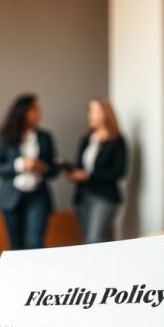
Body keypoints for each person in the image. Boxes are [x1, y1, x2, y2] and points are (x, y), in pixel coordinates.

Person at [0, 94, 58, 250]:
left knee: (35, 243)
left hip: (38, 196)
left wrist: (43, 167)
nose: (38, 113)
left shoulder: (45, 137)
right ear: (23, 111)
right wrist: (19, 165)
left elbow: (54, 170)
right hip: (11, 198)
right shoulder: (5, 136)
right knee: (16, 247)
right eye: (34, 109)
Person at [65, 98, 128, 244]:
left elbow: (119, 171)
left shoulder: (117, 141)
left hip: (104, 197)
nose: (90, 115)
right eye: (89, 111)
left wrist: (89, 176)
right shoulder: (86, 140)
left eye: (94, 111)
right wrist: (72, 172)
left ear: (105, 113)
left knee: (95, 239)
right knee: (87, 240)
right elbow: (79, 166)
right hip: (82, 196)